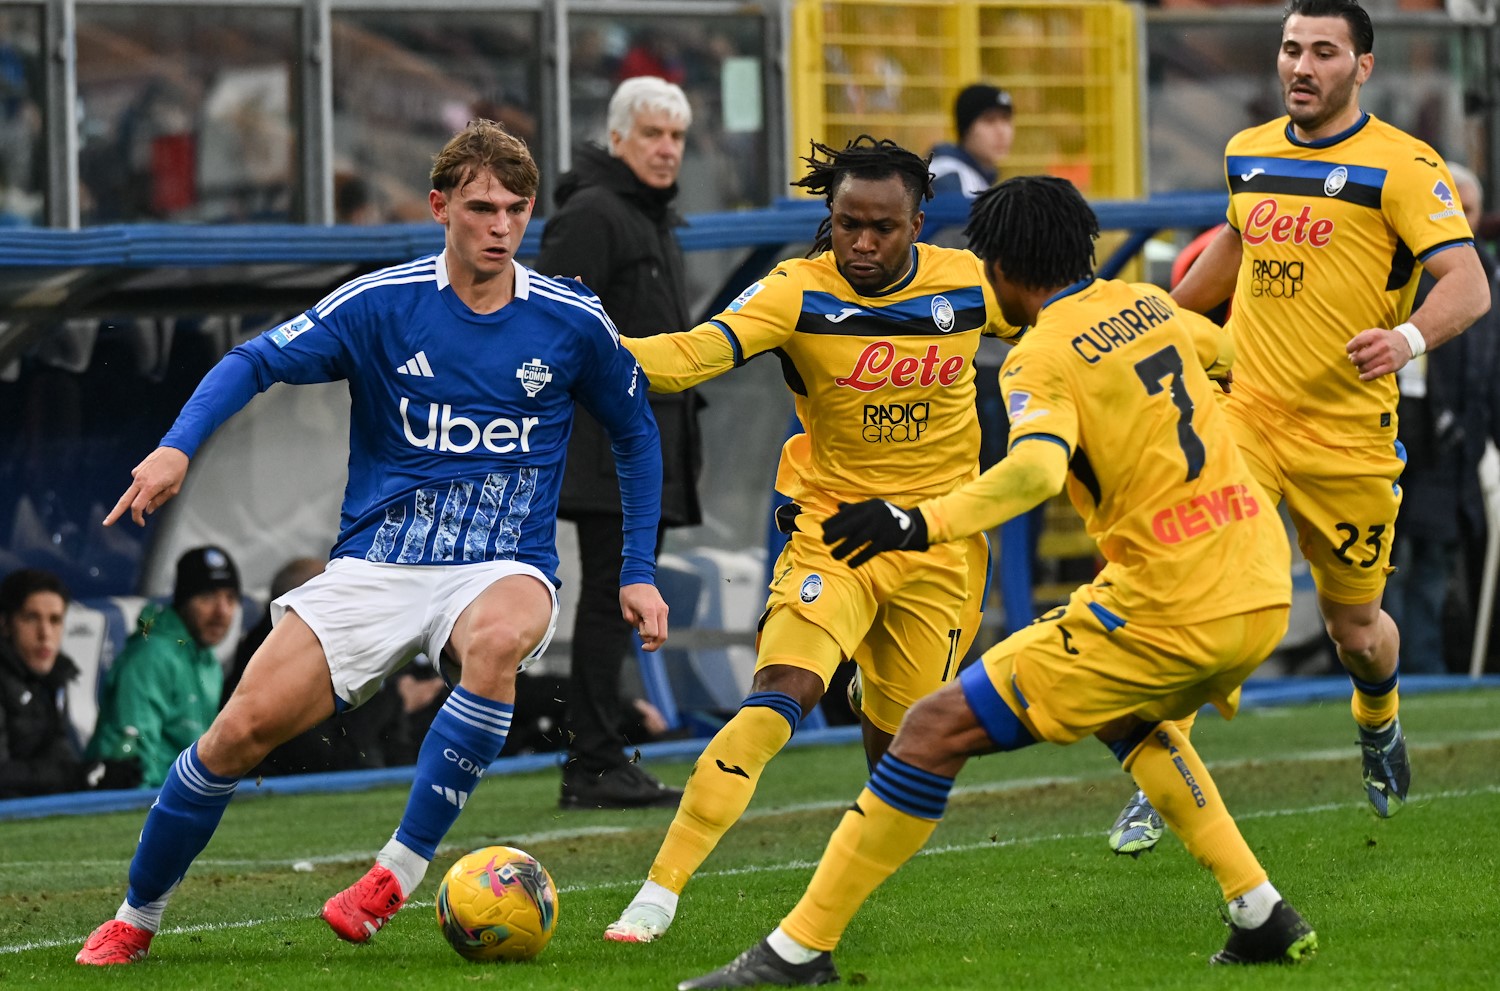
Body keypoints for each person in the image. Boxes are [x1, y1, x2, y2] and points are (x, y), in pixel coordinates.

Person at [677, 174, 1315, 990]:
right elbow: (1230, 355)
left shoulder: (1039, 354)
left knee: (930, 727)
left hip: (1170, 600)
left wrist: (918, 521)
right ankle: (1259, 910)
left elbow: (1036, 472)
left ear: (1002, 268)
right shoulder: (1150, 305)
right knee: (1124, 714)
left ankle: (796, 951)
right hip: (1259, 578)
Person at [74, 119, 670, 966]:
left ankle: (396, 871)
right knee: (235, 732)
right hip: (377, 566)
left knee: (497, 640)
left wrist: (637, 570)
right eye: (481, 208)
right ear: (439, 207)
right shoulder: (382, 303)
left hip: (503, 564)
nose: (501, 226)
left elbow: (637, 432)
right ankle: (136, 916)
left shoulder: (570, 319)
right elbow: (253, 360)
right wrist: (177, 446)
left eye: (516, 209)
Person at [603, 135, 1016, 943]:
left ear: (917, 225)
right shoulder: (796, 291)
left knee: (904, 765)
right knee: (778, 699)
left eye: (881, 228)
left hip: (939, 548)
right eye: (847, 223)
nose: (861, 242)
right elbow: (688, 357)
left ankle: (870, 693)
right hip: (835, 537)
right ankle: (658, 892)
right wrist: (586, 345)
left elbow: (1057, 317)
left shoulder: (967, 285)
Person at [1105, 0, 1493, 855]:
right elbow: (1233, 253)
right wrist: (1157, 324)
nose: (1301, 67)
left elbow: (1469, 285)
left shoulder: (1404, 165)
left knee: (1359, 632)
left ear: (1362, 67)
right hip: (1246, 412)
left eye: (1323, 51)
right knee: (1204, 586)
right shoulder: (1249, 152)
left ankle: (1378, 717)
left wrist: (1406, 338)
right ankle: (1161, 775)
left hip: (1349, 440)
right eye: (1290, 49)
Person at [537, 75, 701, 810]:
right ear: (617, 138)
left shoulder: (645, 213)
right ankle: (594, 762)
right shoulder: (597, 213)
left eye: (677, 137)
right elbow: (553, 329)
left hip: (636, 442)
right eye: (653, 134)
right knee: (610, 598)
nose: (667, 149)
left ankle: (600, 756)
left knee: (615, 599)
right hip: (608, 446)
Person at [1386, 162, 1500, 674]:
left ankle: (1424, 670)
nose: (1462, 219)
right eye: (1455, 208)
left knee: (1432, 565)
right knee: (1386, 566)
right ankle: (1387, 668)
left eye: (1469, 210)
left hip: (1450, 454)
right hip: (1393, 439)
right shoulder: (1397, 267)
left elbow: (1489, 371)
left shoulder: (1485, 277)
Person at [87, 546, 243, 789]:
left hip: (180, 797)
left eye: (230, 599)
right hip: (140, 800)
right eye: (207, 597)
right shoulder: (151, 657)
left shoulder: (209, 662)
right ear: (183, 600)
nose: (222, 611)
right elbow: (131, 762)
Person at [1, 568, 142, 797]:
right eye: (31, 618)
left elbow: (58, 760)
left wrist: (96, 774)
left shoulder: (50, 680)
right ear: (5, 624)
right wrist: (81, 776)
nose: (45, 634)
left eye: (55, 620)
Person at [928, 83, 1014, 200]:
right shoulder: (951, 181)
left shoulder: (976, 177)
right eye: (989, 121)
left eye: (1006, 120)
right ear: (966, 129)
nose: (1001, 131)